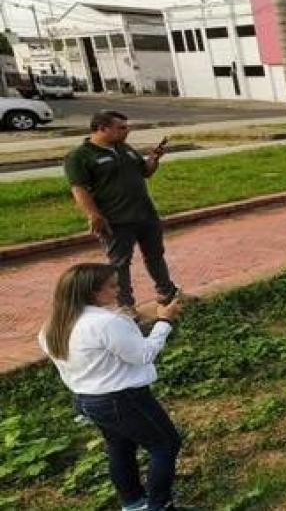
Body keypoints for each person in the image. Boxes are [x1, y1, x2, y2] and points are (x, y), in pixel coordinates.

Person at [39, 263, 185, 511]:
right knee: (165, 445)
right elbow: (143, 354)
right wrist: (164, 321)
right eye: (113, 286)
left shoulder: (53, 325)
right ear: (93, 292)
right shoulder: (106, 322)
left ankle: (133, 503)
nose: (119, 290)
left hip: (88, 399)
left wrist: (124, 321)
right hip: (123, 399)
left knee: (120, 446)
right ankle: (160, 505)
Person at [65, 110, 181, 312]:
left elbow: (144, 172)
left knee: (155, 255)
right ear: (102, 128)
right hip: (116, 220)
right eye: (121, 127)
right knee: (120, 264)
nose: (127, 131)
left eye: (126, 127)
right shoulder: (80, 156)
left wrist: (154, 159)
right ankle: (125, 306)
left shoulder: (124, 148)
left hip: (145, 214)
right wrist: (94, 215)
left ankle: (167, 293)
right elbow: (79, 189)